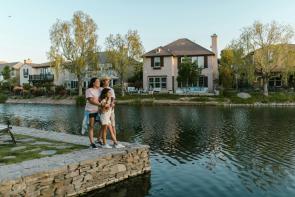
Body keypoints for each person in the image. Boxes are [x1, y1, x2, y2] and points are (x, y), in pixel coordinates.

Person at [96, 76, 117, 143]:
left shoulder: (111, 89)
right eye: (107, 80)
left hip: (111, 110)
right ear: (103, 81)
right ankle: (99, 139)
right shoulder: (100, 89)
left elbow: (113, 99)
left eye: (109, 80)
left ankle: (115, 141)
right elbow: (99, 99)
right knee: (103, 126)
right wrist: (103, 106)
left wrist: (112, 104)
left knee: (113, 125)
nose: (108, 82)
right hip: (104, 111)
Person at [84, 77, 101, 149]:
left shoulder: (99, 90)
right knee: (91, 126)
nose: (99, 83)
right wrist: (100, 104)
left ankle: (98, 139)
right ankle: (92, 143)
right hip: (90, 111)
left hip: (98, 111)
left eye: (99, 81)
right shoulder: (89, 90)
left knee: (103, 124)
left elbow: (101, 99)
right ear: (93, 83)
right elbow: (91, 100)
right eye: (98, 81)